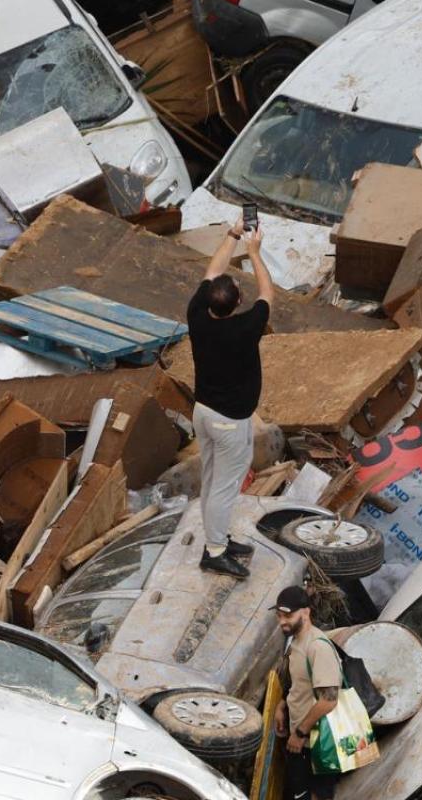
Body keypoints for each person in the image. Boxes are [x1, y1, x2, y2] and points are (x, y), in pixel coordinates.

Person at [186, 218, 275, 578]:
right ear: (238, 303)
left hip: (203, 412)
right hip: (229, 422)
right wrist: (254, 252)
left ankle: (216, 536)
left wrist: (233, 236)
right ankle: (215, 551)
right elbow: (268, 292)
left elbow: (213, 269)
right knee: (224, 487)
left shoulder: (196, 314)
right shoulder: (244, 327)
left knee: (210, 479)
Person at [275, 586, 342, 800]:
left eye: (288, 615)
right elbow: (300, 684)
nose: (282, 621)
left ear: (306, 612)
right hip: (300, 742)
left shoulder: (317, 647)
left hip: (316, 745)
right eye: (279, 616)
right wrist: (282, 705)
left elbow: (329, 701)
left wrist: (300, 733)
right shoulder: (295, 641)